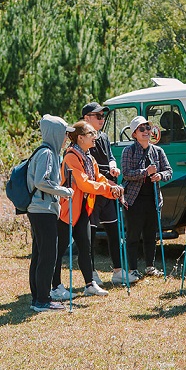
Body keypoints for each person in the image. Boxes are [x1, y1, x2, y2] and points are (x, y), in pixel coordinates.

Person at [52, 120, 124, 299]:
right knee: (59, 250)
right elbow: (83, 183)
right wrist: (108, 189)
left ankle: (89, 284)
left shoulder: (89, 157)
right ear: (80, 138)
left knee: (85, 247)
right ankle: (55, 287)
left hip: (83, 208)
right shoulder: (70, 157)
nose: (95, 137)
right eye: (91, 134)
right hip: (66, 210)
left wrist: (113, 188)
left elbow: (98, 178)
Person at [81, 102, 138, 285]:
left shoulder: (104, 136)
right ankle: (91, 274)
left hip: (108, 192)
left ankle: (118, 271)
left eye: (102, 116)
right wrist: (108, 178)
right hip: (92, 193)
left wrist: (113, 166)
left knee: (114, 232)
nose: (102, 119)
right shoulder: (81, 139)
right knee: (90, 236)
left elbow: (110, 157)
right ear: (86, 118)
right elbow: (89, 168)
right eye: (98, 116)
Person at [27, 114, 75, 312]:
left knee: (39, 254)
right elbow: (41, 181)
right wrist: (64, 191)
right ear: (55, 133)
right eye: (65, 133)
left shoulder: (46, 152)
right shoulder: (47, 153)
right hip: (43, 210)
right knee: (48, 255)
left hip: (39, 210)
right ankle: (42, 301)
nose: (66, 138)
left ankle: (38, 298)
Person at [121, 116, 173, 279]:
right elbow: (126, 174)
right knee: (133, 235)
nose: (146, 132)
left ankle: (150, 266)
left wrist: (159, 176)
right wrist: (145, 172)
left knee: (151, 235)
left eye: (148, 128)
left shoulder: (158, 151)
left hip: (153, 200)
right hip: (134, 200)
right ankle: (132, 269)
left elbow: (169, 171)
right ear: (134, 134)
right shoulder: (128, 151)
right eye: (141, 129)